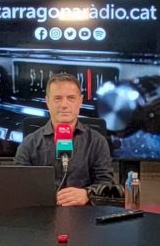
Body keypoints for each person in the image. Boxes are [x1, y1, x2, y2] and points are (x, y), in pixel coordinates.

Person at [14, 72, 115, 206]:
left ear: (80, 101)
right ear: (47, 102)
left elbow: (106, 184)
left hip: (85, 217)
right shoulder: (29, 143)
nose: (64, 105)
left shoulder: (97, 141)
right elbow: (17, 186)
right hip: (42, 218)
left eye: (71, 98)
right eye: (57, 98)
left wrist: (87, 194)